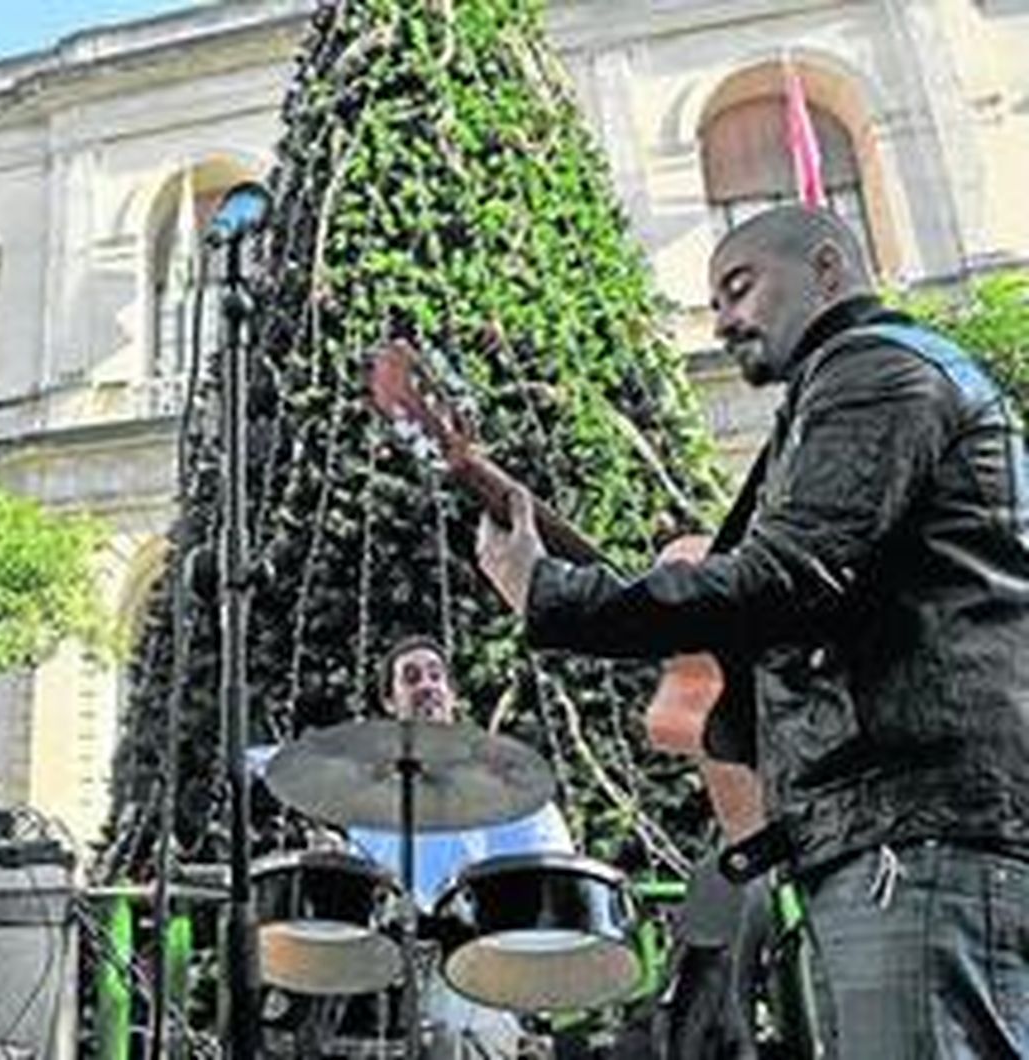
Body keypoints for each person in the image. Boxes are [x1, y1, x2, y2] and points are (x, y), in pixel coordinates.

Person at [474, 205, 1029, 1058]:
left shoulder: (875, 371)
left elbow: (784, 577)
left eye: (741, 287)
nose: (726, 319)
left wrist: (551, 594)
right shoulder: (857, 385)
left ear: (829, 269)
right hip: (904, 821)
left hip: (918, 821)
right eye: (715, 300)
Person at [348, 636, 573, 1060]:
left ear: (452, 695)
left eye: (436, 676)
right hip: (390, 969)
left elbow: (552, 883)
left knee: (451, 1028)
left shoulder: (503, 784)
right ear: (390, 702)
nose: (426, 685)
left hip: (483, 963)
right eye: (410, 678)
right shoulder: (365, 805)